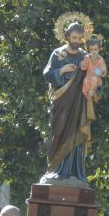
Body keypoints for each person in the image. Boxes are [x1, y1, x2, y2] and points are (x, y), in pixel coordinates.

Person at [42, 21, 93, 184]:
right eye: (74, 37)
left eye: (79, 38)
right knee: (59, 132)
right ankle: (56, 169)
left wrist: (95, 76)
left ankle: (74, 172)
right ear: (67, 37)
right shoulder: (57, 54)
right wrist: (62, 71)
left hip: (78, 101)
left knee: (76, 133)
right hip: (61, 100)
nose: (77, 40)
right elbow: (47, 74)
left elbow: (94, 75)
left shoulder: (84, 56)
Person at [81, 34, 107, 99]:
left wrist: (102, 72)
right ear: (89, 50)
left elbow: (103, 69)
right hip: (88, 76)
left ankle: (92, 91)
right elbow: (84, 67)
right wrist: (85, 61)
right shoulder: (87, 58)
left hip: (97, 78)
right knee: (85, 81)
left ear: (99, 49)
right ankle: (87, 93)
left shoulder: (100, 59)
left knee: (94, 79)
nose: (93, 52)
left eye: (95, 49)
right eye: (91, 50)